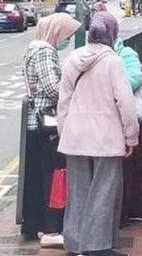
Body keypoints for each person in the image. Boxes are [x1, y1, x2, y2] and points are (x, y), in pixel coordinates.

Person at [57, 12, 139, 256]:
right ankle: (98, 245)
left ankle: (75, 242)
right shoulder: (113, 61)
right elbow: (125, 102)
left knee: (78, 189)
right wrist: (130, 136)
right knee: (105, 190)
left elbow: (64, 101)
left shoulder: (73, 58)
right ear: (112, 33)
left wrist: (65, 132)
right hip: (106, 137)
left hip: (75, 135)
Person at [21, 13, 80, 247]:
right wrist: (72, 92)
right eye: (66, 34)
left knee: (38, 175)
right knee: (52, 175)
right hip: (47, 124)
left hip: (36, 124)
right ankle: (49, 226)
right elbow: (53, 88)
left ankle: (34, 224)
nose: (66, 39)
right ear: (56, 31)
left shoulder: (33, 49)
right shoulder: (45, 51)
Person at [114, 38, 142, 224]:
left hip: (129, 117)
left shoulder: (126, 53)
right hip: (111, 120)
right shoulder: (96, 55)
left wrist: (111, 89)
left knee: (133, 165)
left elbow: (134, 79)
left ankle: (132, 208)